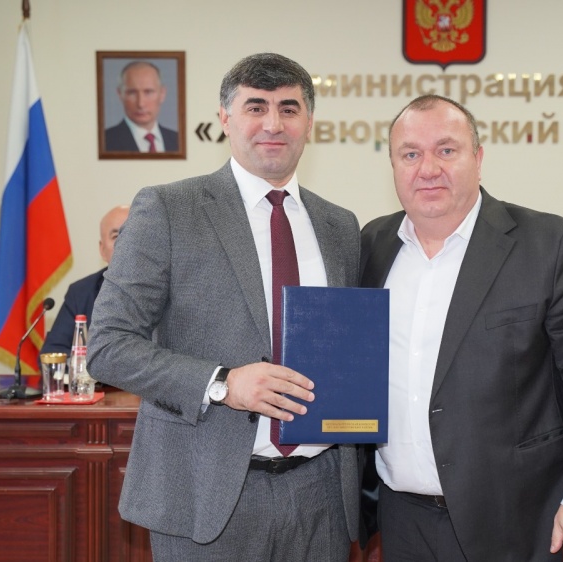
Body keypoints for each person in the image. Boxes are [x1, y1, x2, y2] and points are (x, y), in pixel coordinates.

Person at [88, 53, 362, 562]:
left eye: (289, 108)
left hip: (321, 496)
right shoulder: (168, 209)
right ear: (225, 119)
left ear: (309, 123)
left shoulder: (339, 226)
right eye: (255, 107)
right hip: (206, 497)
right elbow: (107, 346)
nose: (273, 124)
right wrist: (222, 384)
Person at [359, 95, 563, 562]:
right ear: (394, 166)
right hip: (401, 520)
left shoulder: (548, 245)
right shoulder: (372, 245)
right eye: (410, 154)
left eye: (446, 150)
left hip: (518, 519)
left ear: (478, 159)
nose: (428, 169)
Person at [41, 205, 129, 355]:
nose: (124, 242)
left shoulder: (167, 288)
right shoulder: (81, 293)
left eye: (131, 233)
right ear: (102, 250)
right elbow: (53, 352)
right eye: (115, 236)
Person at [104, 61, 180, 153]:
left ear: (162, 94)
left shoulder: (178, 140)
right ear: (120, 95)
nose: (141, 104)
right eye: (132, 93)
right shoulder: (104, 142)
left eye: (148, 92)